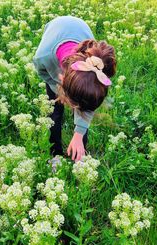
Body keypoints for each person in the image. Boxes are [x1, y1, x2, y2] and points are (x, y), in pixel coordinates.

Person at [33, 15, 116, 162]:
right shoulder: (43, 57)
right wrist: (60, 92)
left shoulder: (95, 67)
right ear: (62, 79)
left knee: (83, 101)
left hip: (79, 29)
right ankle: (55, 154)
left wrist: (79, 133)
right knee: (54, 111)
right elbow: (43, 74)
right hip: (55, 29)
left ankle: (80, 153)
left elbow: (87, 103)